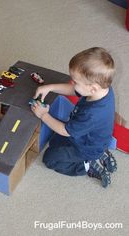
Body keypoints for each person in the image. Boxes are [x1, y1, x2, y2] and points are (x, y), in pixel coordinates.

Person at [31, 47, 117, 188]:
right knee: (54, 140)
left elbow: (66, 131)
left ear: (92, 88)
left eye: (75, 81)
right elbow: (74, 90)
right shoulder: (101, 89)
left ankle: (88, 165)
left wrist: (43, 115)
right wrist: (50, 87)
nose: (72, 83)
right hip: (87, 136)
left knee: (50, 158)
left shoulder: (92, 114)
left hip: (85, 148)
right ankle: (100, 153)